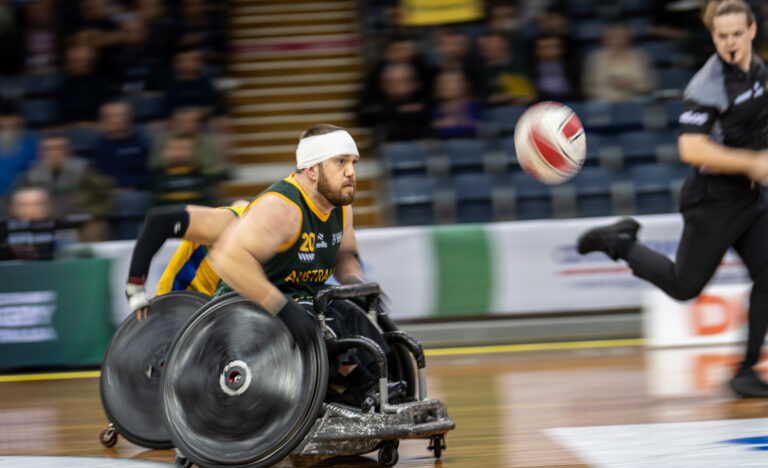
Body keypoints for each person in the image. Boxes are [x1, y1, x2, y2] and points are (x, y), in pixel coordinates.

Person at [577, 0, 768, 398]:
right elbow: (691, 149)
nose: (730, 43)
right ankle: (621, 243)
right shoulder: (707, 84)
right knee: (684, 286)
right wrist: (751, 162)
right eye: (721, 36)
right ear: (712, 37)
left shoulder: (759, 70)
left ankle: (746, 371)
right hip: (712, 199)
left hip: (749, 199)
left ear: (751, 31)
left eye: (736, 34)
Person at [209, 124, 396, 406]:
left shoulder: (340, 206)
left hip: (304, 300)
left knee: (355, 314)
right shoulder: (281, 208)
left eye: (354, 163)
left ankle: (378, 383)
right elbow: (227, 260)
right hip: (248, 311)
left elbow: (344, 257)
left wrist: (356, 284)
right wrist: (280, 306)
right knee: (319, 321)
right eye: (340, 162)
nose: (351, 173)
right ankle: (354, 384)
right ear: (311, 170)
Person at [124, 200, 249, 319]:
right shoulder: (230, 223)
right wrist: (135, 288)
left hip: (220, 313)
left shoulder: (256, 215)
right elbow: (158, 221)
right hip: (179, 312)